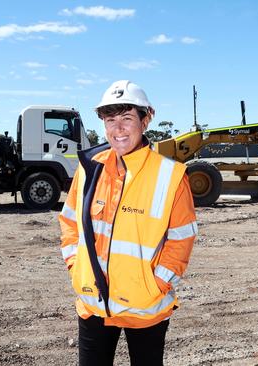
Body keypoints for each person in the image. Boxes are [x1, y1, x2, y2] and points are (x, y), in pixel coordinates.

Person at [58, 80, 197, 365]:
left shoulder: (170, 176)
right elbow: (70, 222)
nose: (118, 129)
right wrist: (76, 267)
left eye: (127, 119)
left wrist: (156, 284)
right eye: (111, 120)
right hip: (93, 303)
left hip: (145, 307)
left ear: (145, 120)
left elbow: (181, 238)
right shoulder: (89, 169)